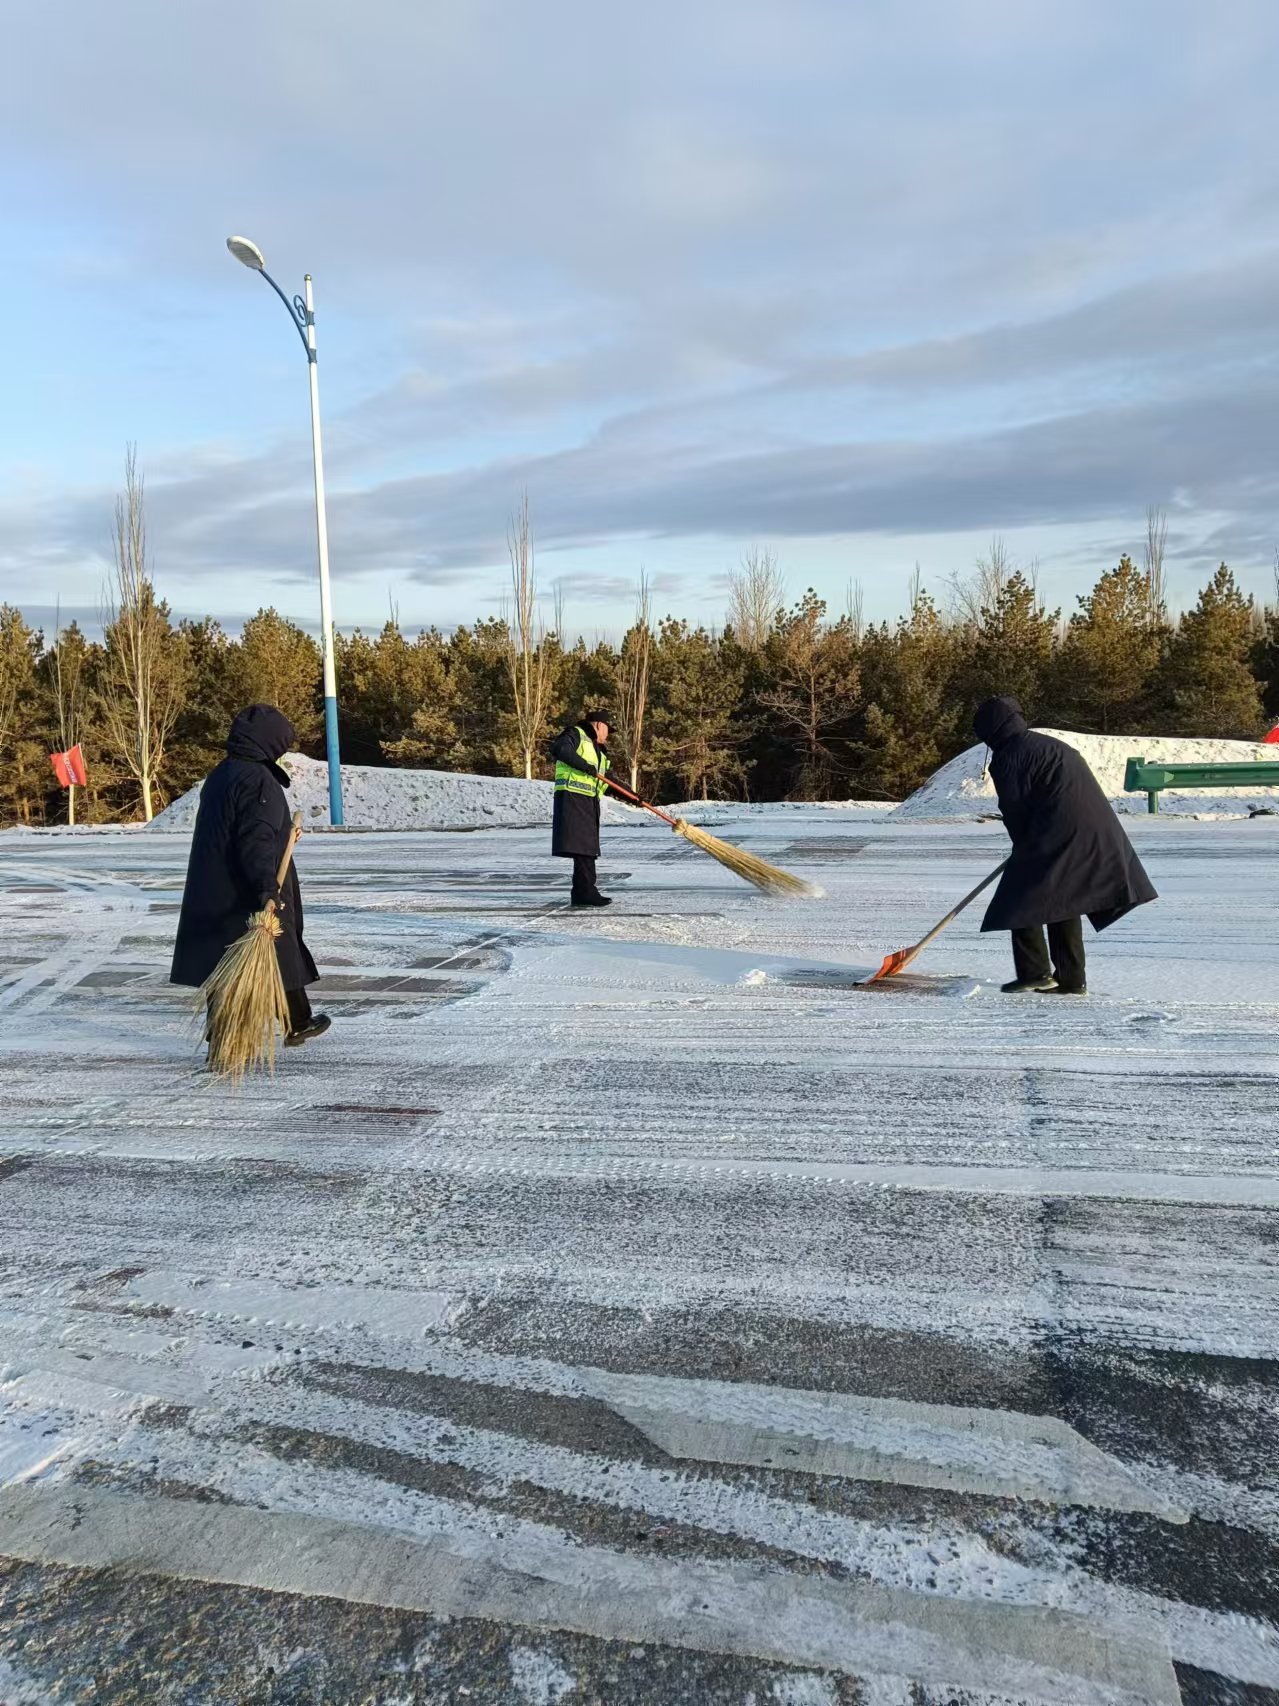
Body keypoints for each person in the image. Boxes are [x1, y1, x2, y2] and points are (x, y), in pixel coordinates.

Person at [973, 695, 1157, 995]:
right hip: (1092, 830)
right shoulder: (1046, 744)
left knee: (1020, 896)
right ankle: (1071, 980)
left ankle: (1035, 972)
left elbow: (1015, 808)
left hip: (1059, 833)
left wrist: (1022, 846)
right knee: (1062, 898)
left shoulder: (1010, 756)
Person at [170, 704, 329, 1045]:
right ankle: (296, 1022)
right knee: (274, 951)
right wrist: (266, 889)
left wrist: (284, 833)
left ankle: (224, 1034)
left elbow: (240, 828)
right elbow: (255, 838)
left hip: (215, 885)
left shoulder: (221, 774)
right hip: (248, 886)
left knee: (225, 962)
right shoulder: (258, 780)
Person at [551, 712, 613, 907]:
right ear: (598, 725)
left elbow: (610, 781)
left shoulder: (599, 751)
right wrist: (585, 766)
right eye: (607, 729)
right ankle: (585, 891)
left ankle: (581, 892)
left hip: (587, 800)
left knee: (586, 847)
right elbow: (560, 749)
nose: (608, 734)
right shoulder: (575, 734)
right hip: (572, 797)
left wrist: (635, 798)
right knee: (584, 847)